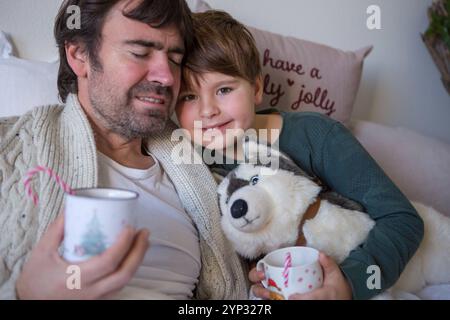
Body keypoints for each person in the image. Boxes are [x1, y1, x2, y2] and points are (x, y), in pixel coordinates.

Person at [0, 0, 248, 300]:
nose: (167, 77)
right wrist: (26, 294)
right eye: (140, 53)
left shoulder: (202, 170)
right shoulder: (9, 151)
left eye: (174, 59)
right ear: (79, 55)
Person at [174, 10, 425, 300]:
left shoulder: (316, 137)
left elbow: (403, 220)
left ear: (256, 88)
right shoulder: (188, 160)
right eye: (189, 97)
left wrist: (347, 284)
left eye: (224, 89)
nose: (207, 111)